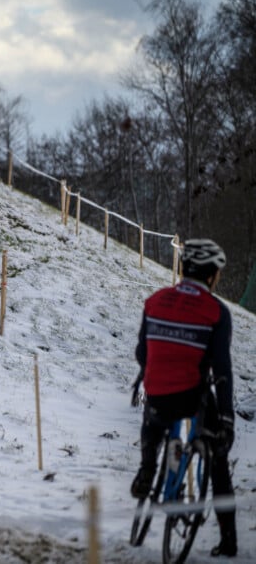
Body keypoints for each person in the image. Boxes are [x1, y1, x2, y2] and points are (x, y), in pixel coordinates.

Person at [130, 238, 237, 557]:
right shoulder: (216, 312)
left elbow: (141, 352)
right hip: (191, 400)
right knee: (218, 460)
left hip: (156, 395)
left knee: (155, 412)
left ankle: (148, 466)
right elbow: (222, 370)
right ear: (212, 276)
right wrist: (228, 419)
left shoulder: (155, 301)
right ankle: (229, 540)